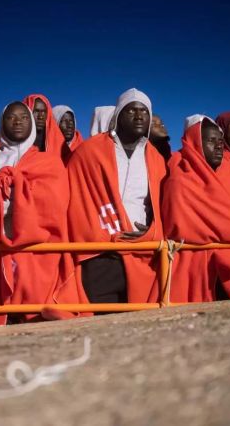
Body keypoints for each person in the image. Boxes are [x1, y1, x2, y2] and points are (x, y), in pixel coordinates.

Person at [0, 102, 84, 326]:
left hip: (37, 253)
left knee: (37, 317)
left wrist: (10, 189)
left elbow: (54, 206)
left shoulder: (49, 163)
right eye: (11, 117)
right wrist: (14, 191)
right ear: (1, 123)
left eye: (24, 117)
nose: (18, 121)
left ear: (33, 124)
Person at [67, 89, 166, 305]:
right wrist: (99, 233)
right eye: (131, 110)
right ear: (118, 115)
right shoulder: (89, 151)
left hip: (143, 251)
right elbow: (76, 200)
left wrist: (152, 231)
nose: (139, 116)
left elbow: (158, 206)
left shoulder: (156, 158)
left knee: (142, 322)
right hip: (100, 253)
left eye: (144, 111)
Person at [162, 115, 230, 302]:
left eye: (220, 141)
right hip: (195, 264)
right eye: (211, 141)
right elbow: (179, 227)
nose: (219, 146)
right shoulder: (179, 178)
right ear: (195, 143)